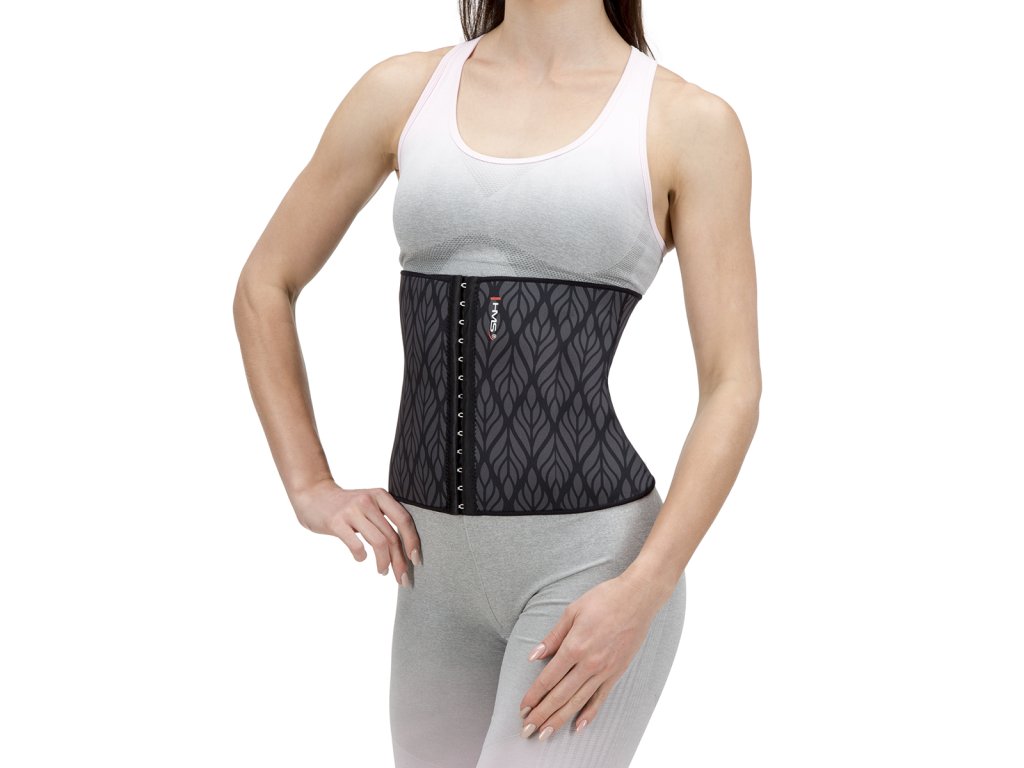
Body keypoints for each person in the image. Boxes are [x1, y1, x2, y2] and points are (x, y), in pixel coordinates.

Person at [233, 1, 760, 766]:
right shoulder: (402, 92)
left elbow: (732, 384)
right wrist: (309, 484)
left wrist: (644, 589)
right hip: (433, 585)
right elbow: (264, 284)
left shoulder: (688, 123)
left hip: (594, 575)